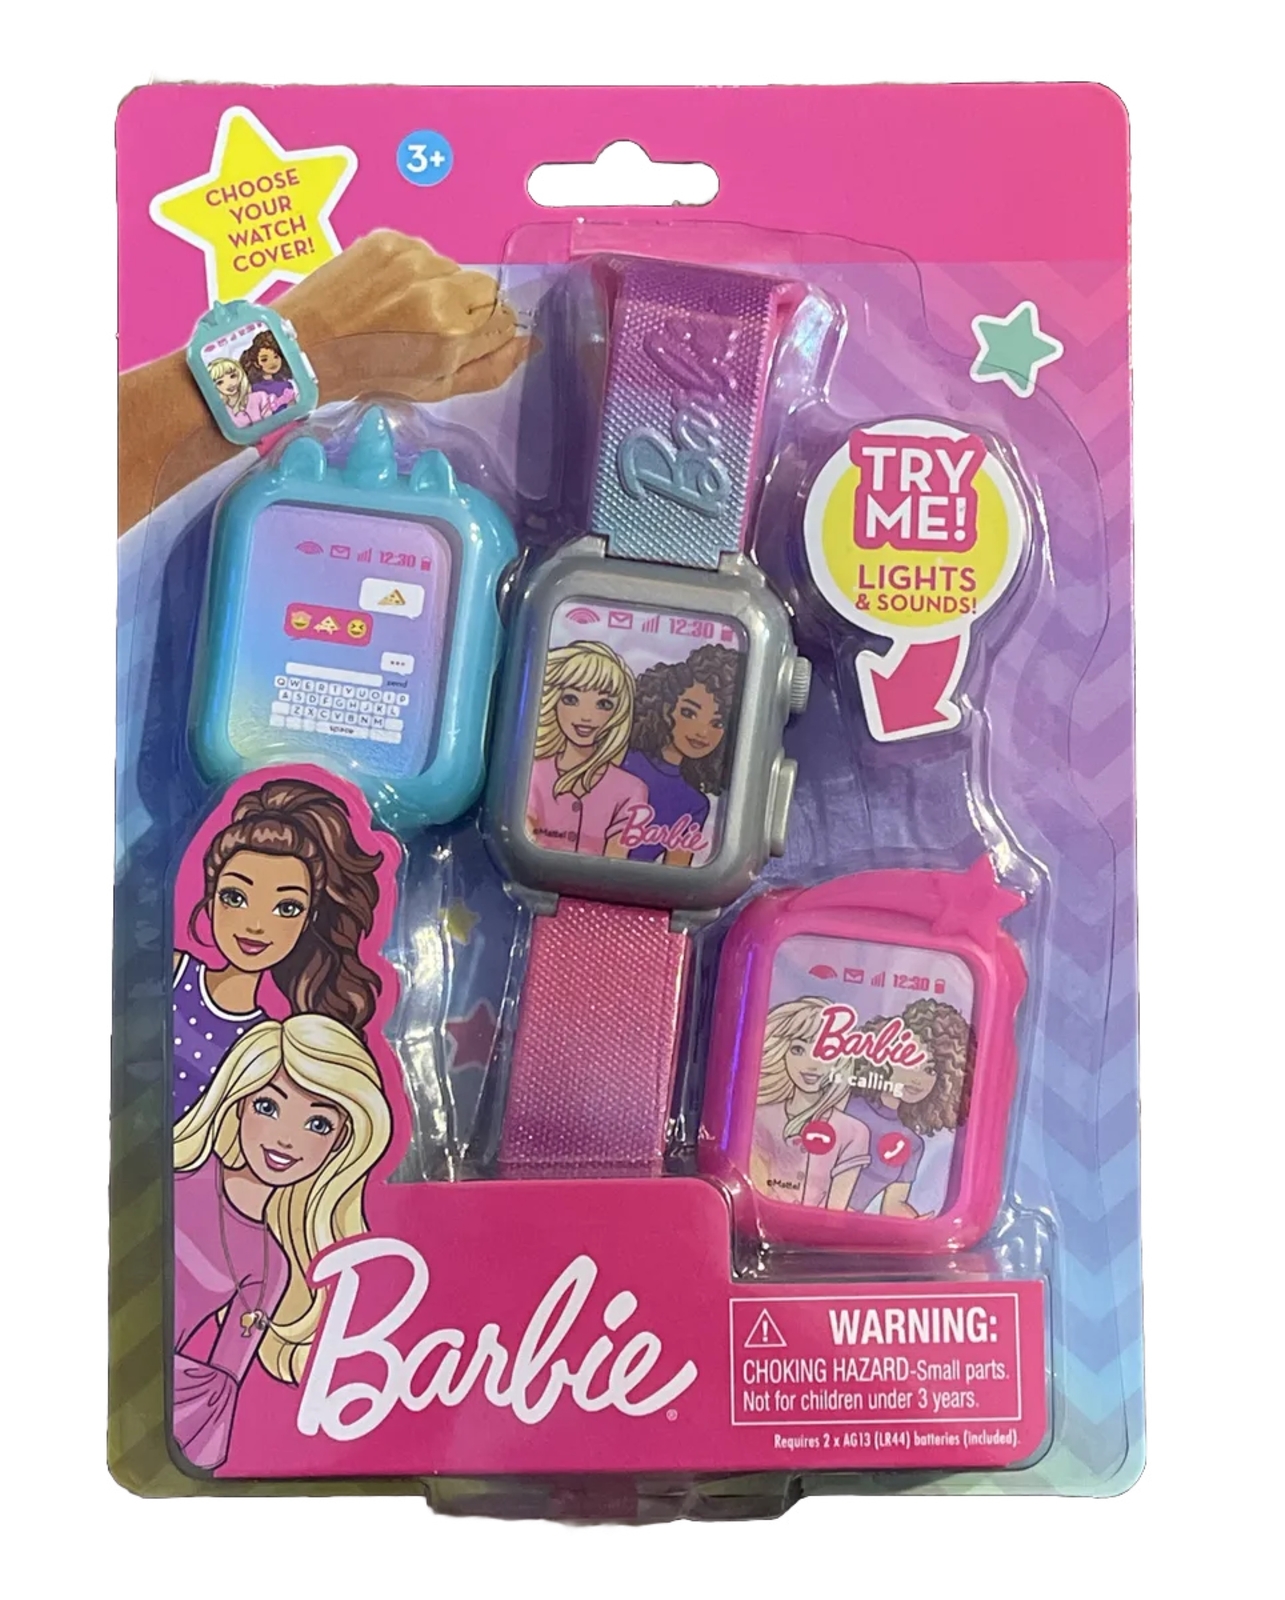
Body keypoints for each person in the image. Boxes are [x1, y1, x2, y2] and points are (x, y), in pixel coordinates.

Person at [172, 1014, 392, 1470]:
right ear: (238, 1104)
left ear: (341, 1142)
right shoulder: (174, 1183)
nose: (287, 1139)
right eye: (268, 1106)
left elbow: (220, 1390)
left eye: (319, 1124)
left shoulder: (271, 1265)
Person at [173, 778, 384, 1120]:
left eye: (287, 908)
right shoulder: (173, 973)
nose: (256, 925)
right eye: (235, 897)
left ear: (308, 920)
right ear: (210, 901)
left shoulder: (270, 1044)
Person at [845, 999, 975, 1218]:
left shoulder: (911, 1143)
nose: (918, 1079)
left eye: (930, 1071)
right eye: (912, 1062)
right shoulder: (846, 1104)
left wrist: (920, 1223)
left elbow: (893, 1205)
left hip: (847, 1227)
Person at [622, 643, 742, 866]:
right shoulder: (620, 761)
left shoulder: (695, 804)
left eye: (717, 723)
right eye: (689, 712)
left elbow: (676, 872)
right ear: (666, 709)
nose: (702, 732)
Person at [525, 641, 648, 857]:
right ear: (553, 702)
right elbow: (524, 846)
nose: (586, 716)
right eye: (571, 699)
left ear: (619, 712)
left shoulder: (631, 789)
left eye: (604, 704)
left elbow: (615, 864)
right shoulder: (531, 773)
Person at [751, 997, 871, 1210]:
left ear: (840, 1058)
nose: (812, 1064)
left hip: (818, 1229)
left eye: (825, 1051)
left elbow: (836, 1212)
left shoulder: (853, 1131)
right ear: (782, 1052)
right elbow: (755, 1191)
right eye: (798, 1050)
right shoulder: (760, 1117)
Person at [239, 330, 299, 413]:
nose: (272, 362)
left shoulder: (286, 384)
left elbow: (295, 408)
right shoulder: (255, 388)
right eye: (264, 359)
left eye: (276, 356)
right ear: (256, 363)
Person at [206, 357, 274, 429]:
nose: (229, 384)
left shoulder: (260, 397)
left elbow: (272, 423)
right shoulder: (222, 413)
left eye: (232, 376)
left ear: (240, 375)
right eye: (220, 382)